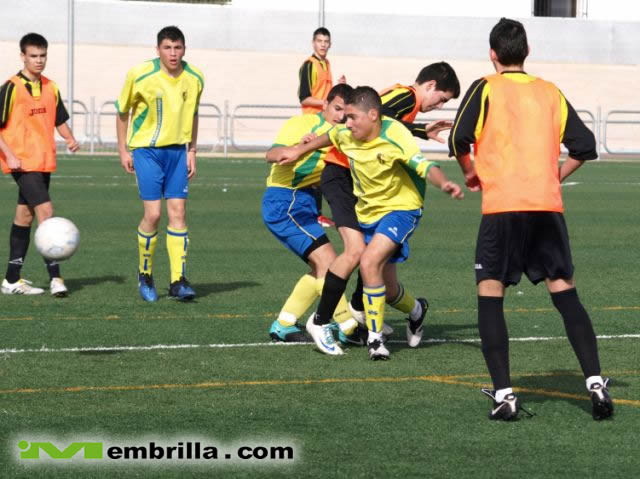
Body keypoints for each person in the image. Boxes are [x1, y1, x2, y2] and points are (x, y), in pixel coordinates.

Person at [448, 17, 613, 421]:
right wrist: (552, 177)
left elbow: (457, 139)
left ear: (492, 54)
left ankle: (505, 395)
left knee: (490, 293)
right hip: (545, 208)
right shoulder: (550, 91)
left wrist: (470, 171)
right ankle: (595, 384)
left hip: (503, 207)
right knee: (564, 292)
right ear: (527, 52)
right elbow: (584, 146)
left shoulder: (485, 87)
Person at [277, 87, 463, 359]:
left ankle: (374, 339)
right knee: (385, 287)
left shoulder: (395, 134)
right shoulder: (345, 134)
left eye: (352, 117)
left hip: (402, 209)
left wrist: (444, 183)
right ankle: (416, 311)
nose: (346, 122)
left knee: (367, 261)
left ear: (373, 115)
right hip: (367, 212)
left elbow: (424, 166)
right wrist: (298, 150)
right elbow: (328, 136)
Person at [263, 84, 359, 351]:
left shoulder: (343, 135)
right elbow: (271, 154)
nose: (340, 116)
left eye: (346, 112)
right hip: (285, 201)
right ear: (325, 105)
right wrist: (299, 147)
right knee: (330, 264)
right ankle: (347, 326)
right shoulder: (304, 123)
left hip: (303, 203)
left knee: (321, 267)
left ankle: (284, 324)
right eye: (337, 109)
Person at [116, 25, 204, 302]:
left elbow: (193, 115)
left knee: (178, 213)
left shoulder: (195, 77)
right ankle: (145, 275)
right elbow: (122, 112)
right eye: (167, 48)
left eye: (178, 48)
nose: (173, 53)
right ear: (158, 50)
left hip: (178, 152)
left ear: (184, 49)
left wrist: (192, 150)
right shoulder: (140, 74)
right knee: (153, 214)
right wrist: (123, 150)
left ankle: (178, 280)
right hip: (147, 151)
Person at [0, 33, 79, 297]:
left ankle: (11, 280)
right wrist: (9, 154)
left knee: (25, 216)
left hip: (43, 162)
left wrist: (69, 138)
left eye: (42, 55)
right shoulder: (11, 87)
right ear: (22, 56)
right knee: (46, 212)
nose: (39, 60)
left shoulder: (51, 87)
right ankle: (56, 279)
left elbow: (59, 118)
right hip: (22, 163)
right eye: (33, 56)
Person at [298, 27, 346, 229]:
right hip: (313, 122)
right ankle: (313, 213)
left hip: (326, 120)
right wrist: (328, 103)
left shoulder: (326, 64)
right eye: (319, 41)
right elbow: (304, 97)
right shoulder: (309, 65)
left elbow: (327, 95)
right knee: (315, 166)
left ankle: (317, 212)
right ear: (313, 43)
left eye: (326, 41)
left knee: (325, 165)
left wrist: (339, 87)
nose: (323, 44)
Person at [380, 62, 460, 144]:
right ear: (430, 85)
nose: (440, 106)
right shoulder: (408, 97)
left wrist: (421, 131)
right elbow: (380, 119)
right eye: (442, 99)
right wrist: (420, 129)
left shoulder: (405, 95)